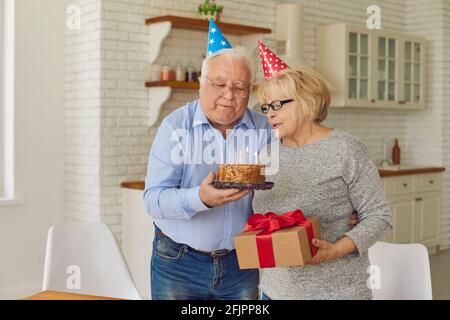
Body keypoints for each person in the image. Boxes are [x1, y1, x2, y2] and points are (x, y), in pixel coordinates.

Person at [253, 42, 392, 300]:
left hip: (338, 292)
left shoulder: (345, 149)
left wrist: (337, 249)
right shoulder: (266, 155)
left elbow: (379, 216)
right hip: (275, 292)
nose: (270, 114)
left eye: (277, 105)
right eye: (266, 107)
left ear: (308, 102)